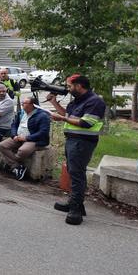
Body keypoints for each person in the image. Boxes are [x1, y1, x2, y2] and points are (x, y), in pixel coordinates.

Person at [47, 75, 106, 225]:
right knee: (73, 172)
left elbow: (86, 123)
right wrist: (53, 102)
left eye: (69, 86)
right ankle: (76, 204)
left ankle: (75, 211)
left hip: (83, 142)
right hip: (72, 140)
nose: (68, 89)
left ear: (78, 86)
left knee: (77, 174)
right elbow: (67, 115)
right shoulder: (77, 101)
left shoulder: (95, 101)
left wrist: (63, 119)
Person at [0, 96, 51, 181]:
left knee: (23, 151)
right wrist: (14, 135)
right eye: (22, 103)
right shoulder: (21, 113)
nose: (22, 104)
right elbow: (14, 125)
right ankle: (17, 167)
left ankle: (14, 165)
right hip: (19, 137)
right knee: (2, 145)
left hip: (33, 139)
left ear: (32, 105)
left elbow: (43, 132)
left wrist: (26, 138)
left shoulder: (42, 116)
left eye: (24, 103)